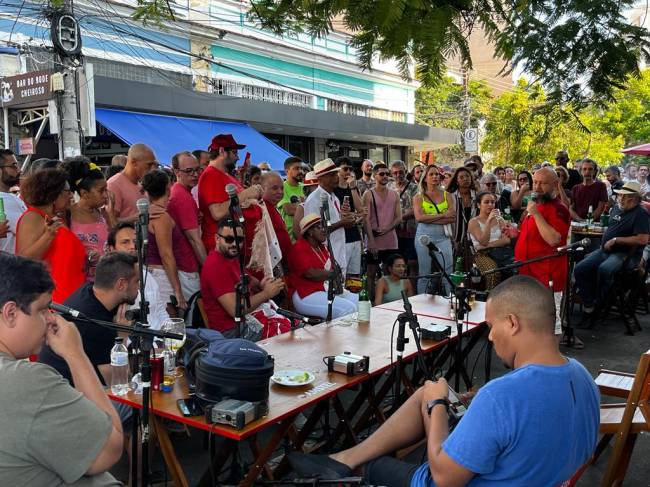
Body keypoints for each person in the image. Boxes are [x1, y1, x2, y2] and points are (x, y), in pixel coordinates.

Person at [289, 275, 600, 487]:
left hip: (443, 480)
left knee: (377, 460)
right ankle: (341, 457)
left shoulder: (502, 396)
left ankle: (346, 463)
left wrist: (439, 405)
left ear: (512, 323)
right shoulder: (583, 377)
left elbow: (443, 479)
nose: (489, 337)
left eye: (491, 327)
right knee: (429, 390)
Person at [0, 253, 123, 486]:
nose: (50, 319)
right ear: (11, 313)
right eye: (43, 309)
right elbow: (109, 447)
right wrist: (75, 354)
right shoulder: (24, 381)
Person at [39, 252, 139, 389]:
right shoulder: (95, 321)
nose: (139, 287)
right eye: (137, 281)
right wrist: (122, 337)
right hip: (67, 393)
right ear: (121, 284)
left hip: (57, 383)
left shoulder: (88, 292)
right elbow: (118, 383)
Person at [574, 181, 650, 316]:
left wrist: (616, 240)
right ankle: (589, 302)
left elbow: (643, 239)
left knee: (605, 269)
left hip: (625, 254)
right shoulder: (616, 207)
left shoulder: (641, 214)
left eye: (624, 196)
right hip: (605, 251)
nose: (620, 198)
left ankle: (602, 302)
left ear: (634, 198)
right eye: (620, 195)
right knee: (580, 268)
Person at [200, 218, 285, 337]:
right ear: (217, 239)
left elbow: (249, 279)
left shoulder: (230, 257)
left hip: (247, 321)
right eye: (229, 239)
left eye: (239, 239)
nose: (234, 243)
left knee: (293, 326)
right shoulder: (215, 265)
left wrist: (261, 285)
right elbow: (235, 310)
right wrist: (265, 293)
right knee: (289, 334)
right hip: (232, 331)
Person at [15, 168, 86, 303]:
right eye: (67, 191)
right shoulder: (33, 217)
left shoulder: (55, 218)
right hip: (53, 300)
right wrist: (48, 236)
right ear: (54, 193)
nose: (71, 195)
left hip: (73, 295)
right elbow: (24, 260)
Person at [514, 167, 570, 337]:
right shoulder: (535, 206)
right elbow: (532, 235)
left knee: (550, 322)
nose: (536, 187)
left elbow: (554, 239)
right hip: (528, 271)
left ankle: (551, 359)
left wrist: (536, 215)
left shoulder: (559, 209)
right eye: (535, 182)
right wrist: (514, 233)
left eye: (543, 183)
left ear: (555, 185)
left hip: (547, 274)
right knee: (530, 318)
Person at [197, 134, 263, 257]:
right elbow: (217, 213)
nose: (237, 157)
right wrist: (245, 194)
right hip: (223, 247)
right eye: (234, 152)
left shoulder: (224, 175)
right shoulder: (211, 175)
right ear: (222, 151)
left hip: (234, 245)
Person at [143, 170, 197, 313]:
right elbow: (166, 255)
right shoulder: (161, 217)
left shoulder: (149, 213)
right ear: (168, 188)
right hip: (161, 276)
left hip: (155, 273)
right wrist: (178, 291)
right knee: (171, 325)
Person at [288, 214, 358, 319]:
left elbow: (331, 272)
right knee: (348, 309)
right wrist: (332, 274)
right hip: (305, 294)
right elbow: (310, 274)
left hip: (324, 290)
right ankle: (337, 335)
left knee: (362, 301)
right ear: (310, 232)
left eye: (324, 226)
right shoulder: (299, 247)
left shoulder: (323, 248)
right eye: (319, 227)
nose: (324, 230)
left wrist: (336, 278)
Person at [107, 223, 170, 331]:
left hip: (163, 338)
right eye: (125, 242)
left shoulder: (146, 274)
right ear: (112, 249)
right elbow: (121, 328)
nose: (132, 246)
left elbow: (160, 311)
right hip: (138, 343)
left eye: (136, 241)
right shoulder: (112, 282)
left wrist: (171, 335)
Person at [62, 156, 115, 281]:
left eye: (106, 189)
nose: (106, 195)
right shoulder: (67, 215)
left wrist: (111, 215)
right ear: (84, 193)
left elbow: (116, 241)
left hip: (107, 280)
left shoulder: (104, 213)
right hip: (79, 282)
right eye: (101, 191)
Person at [303, 158, 355, 271]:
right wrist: (342, 223)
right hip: (326, 258)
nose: (336, 177)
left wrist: (346, 219)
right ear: (320, 178)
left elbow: (329, 222)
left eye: (336, 173)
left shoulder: (333, 197)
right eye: (331, 175)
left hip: (339, 254)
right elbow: (314, 231)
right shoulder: (314, 199)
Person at [413, 164, 456, 295]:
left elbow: (452, 217)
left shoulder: (448, 195)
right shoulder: (418, 197)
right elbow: (419, 217)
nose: (435, 177)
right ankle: (421, 301)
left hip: (443, 236)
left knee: (448, 270)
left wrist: (430, 217)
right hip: (423, 237)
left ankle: (450, 299)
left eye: (437, 174)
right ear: (425, 178)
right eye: (431, 174)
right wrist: (443, 215)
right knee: (424, 271)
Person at [364, 163, 401, 294]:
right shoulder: (368, 194)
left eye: (387, 174)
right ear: (374, 176)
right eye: (381, 174)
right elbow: (365, 219)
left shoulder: (394, 194)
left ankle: (388, 299)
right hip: (374, 240)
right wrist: (371, 242)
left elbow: (399, 217)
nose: (385, 176)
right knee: (371, 273)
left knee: (390, 273)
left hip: (391, 240)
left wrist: (387, 228)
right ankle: (371, 301)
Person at [169, 151, 206, 268]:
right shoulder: (182, 197)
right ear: (176, 172)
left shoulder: (180, 192)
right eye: (189, 171)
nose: (195, 175)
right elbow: (194, 240)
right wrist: (209, 271)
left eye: (198, 170)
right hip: (187, 265)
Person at [468, 192, 515, 278]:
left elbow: (506, 240)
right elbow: (484, 241)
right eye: (486, 202)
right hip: (482, 255)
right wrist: (489, 220)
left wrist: (486, 246)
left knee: (515, 268)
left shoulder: (499, 219)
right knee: (493, 274)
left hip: (501, 251)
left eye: (492, 202)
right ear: (479, 205)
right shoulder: (473, 222)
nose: (490, 205)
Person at [107, 143, 158, 223]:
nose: (152, 168)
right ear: (134, 162)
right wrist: (132, 219)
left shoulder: (140, 185)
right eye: (149, 164)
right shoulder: (114, 184)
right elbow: (108, 222)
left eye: (153, 164)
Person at [333, 157, 365, 279]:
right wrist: (353, 216)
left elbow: (360, 209)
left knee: (354, 275)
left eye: (350, 169)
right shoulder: (333, 190)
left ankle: (353, 297)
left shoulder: (352, 187)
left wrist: (352, 188)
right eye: (345, 169)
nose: (348, 172)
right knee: (341, 275)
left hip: (354, 236)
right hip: (340, 237)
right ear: (337, 171)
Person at [388, 160, 419, 283]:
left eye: (401, 172)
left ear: (406, 172)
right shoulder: (389, 187)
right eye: (395, 173)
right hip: (393, 232)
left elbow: (416, 209)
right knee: (395, 262)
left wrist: (399, 218)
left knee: (412, 262)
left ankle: (412, 290)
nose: (398, 175)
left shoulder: (414, 187)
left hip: (410, 230)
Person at [446, 167, 477, 271]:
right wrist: (452, 240)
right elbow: (448, 222)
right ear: (457, 181)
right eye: (461, 177)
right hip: (456, 240)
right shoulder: (450, 197)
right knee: (456, 269)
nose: (465, 179)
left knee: (473, 269)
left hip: (475, 240)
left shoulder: (477, 196)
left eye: (467, 176)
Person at [261, 171, 292, 269]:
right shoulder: (262, 208)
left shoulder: (271, 206)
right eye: (275, 188)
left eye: (282, 188)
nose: (280, 191)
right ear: (262, 189)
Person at [0, 148, 26, 254]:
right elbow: (31, 233)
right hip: (8, 268)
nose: (19, 170)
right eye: (13, 166)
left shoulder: (12, 198)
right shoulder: (5, 200)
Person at [277, 156, 305, 240]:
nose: (300, 171)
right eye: (296, 168)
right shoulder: (282, 187)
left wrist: (298, 206)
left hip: (306, 237)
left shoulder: (305, 187)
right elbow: (288, 210)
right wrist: (305, 205)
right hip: (289, 239)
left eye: (301, 168)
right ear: (287, 171)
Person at [292, 171, 319, 241]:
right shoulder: (302, 207)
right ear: (308, 188)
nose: (319, 189)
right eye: (316, 186)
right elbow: (296, 232)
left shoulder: (329, 202)